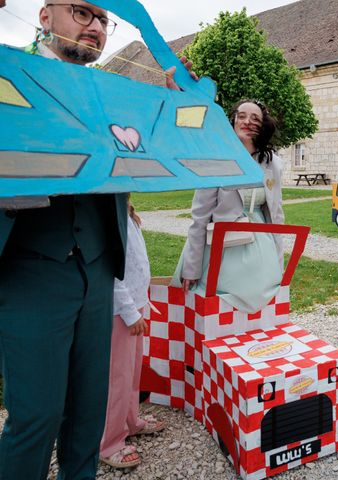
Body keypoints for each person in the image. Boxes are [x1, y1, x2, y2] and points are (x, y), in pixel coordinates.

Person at [0, 2, 129, 478]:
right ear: (45, 15)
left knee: (88, 412)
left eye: (103, 20)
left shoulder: (113, 94)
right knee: (36, 416)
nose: (94, 27)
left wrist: (180, 102)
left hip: (96, 268)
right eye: (82, 11)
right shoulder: (7, 72)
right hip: (29, 269)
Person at [172, 100, 285, 312]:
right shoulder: (215, 158)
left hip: (261, 246)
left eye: (255, 118)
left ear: (263, 125)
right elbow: (200, 217)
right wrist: (192, 267)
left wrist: (279, 261)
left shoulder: (272, 163)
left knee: (262, 309)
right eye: (241, 116)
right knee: (216, 307)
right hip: (220, 247)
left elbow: (276, 214)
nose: (247, 122)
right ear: (233, 120)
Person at [100, 198, 164, 469]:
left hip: (135, 305)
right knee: (118, 376)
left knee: (132, 370)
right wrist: (128, 310)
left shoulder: (126, 213)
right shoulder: (106, 215)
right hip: (120, 311)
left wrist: (140, 304)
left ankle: (130, 421)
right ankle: (109, 442)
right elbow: (109, 269)